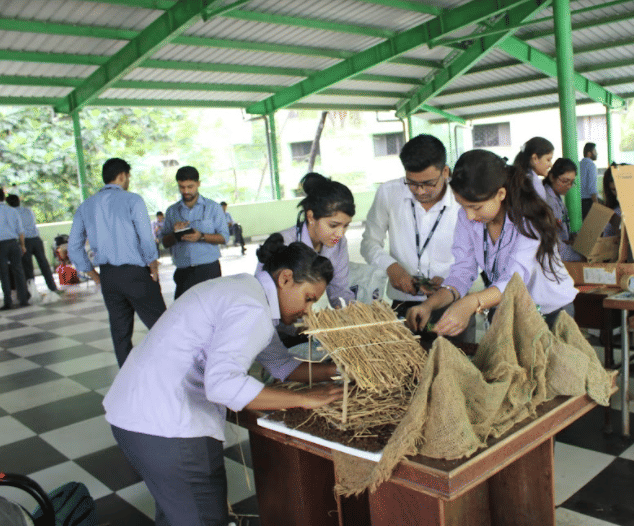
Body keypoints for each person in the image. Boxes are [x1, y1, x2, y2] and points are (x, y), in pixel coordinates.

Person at [103, 235, 342, 526]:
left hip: (135, 414)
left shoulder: (245, 290)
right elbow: (223, 386)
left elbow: (282, 365)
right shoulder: (251, 309)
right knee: (203, 519)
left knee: (177, 515)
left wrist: (337, 369)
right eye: (308, 299)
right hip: (168, 427)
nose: (308, 311)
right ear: (286, 279)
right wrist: (306, 399)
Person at [406, 150, 577, 336]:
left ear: (500, 194)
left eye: (476, 207)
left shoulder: (529, 220)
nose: (469, 215)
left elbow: (514, 281)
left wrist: (471, 302)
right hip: (508, 309)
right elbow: (462, 272)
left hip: (550, 313)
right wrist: (429, 305)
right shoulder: (467, 217)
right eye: (463, 205)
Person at [68, 158, 166, 366]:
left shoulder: (86, 206)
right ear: (122, 176)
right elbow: (146, 237)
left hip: (109, 277)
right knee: (162, 326)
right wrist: (153, 263)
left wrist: (94, 275)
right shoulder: (132, 200)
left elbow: (74, 247)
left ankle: (127, 387)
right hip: (136, 274)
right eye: (128, 176)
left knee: (120, 334)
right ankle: (176, 375)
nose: (128, 180)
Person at [361, 134, 462, 323]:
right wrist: (391, 267)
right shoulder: (389, 193)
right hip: (402, 301)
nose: (420, 191)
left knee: (455, 352)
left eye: (429, 183)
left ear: (445, 172)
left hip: (452, 302)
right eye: (413, 183)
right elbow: (369, 242)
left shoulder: (462, 200)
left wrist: (451, 277)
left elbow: (477, 252)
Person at [270, 172, 355, 308]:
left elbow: (340, 292)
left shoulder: (339, 244)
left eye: (345, 225)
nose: (340, 234)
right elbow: (267, 297)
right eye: (333, 225)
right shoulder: (281, 243)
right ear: (311, 217)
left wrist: (353, 313)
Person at [162, 166, 229, 299]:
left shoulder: (213, 208)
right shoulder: (172, 211)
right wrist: (175, 234)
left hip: (208, 269)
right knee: (184, 313)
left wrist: (201, 236)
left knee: (212, 310)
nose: (186, 191)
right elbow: (164, 242)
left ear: (198, 184)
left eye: (190, 186)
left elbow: (224, 237)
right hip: (183, 272)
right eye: (181, 187)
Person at [5, 194, 58, 293]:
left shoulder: (11, 214)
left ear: (8, 203)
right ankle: (53, 287)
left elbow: (17, 230)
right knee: (44, 265)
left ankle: (32, 292)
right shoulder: (28, 210)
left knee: (28, 268)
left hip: (25, 242)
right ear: (19, 201)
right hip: (36, 240)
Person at [543, 158, 583, 262]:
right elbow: (554, 244)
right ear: (552, 177)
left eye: (572, 182)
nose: (569, 186)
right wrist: (581, 256)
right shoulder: (548, 201)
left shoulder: (556, 197)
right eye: (565, 181)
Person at [0, 188, 29, 309]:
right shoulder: (12, 211)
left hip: (1, 245)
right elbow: (20, 230)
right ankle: (23, 300)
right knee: (19, 271)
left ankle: (8, 302)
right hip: (14, 243)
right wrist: (22, 245)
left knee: (4, 273)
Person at [579, 142, 598, 219]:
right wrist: (597, 206)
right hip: (588, 202)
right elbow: (592, 188)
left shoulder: (579, 164)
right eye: (595, 151)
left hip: (579, 202)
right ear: (589, 153)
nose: (597, 153)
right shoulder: (591, 165)